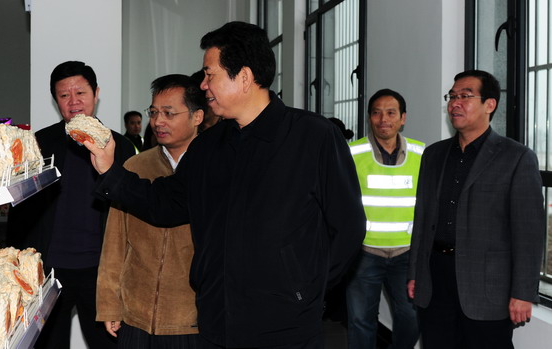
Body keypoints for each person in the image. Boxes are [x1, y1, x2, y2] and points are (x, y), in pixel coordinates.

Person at [83, 21, 366, 349]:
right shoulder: (208, 147)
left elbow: (348, 226)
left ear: (244, 77)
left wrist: (305, 291)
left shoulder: (312, 137)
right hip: (217, 321)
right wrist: (111, 171)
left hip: (286, 327)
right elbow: (166, 203)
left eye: (210, 74)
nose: (203, 85)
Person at [407, 70, 546, 349]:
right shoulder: (433, 155)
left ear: (489, 104)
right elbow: (422, 220)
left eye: (465, 96)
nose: (455, 103)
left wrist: (523, 293)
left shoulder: (516, 158)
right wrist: (415, 272)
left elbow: (529, 234)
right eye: (452, 97)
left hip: (487, 285)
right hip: (436, 278)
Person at [6, 61, 135, 349]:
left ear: (96, 93)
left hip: (101, 272)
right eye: (64, 95)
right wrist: (14, 260)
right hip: (49, 271)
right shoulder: (39, 143)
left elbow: (131, 208)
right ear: (56, 100)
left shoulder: (119, 146)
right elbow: (20, 208)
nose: (73, 101)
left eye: (81, 93)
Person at [97, 74, 205, 348]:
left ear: (197, 116)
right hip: (136, 318)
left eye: (169, 113)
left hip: (191, 320)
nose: (158, 122)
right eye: (154, 112)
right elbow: (115, 243)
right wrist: (109, 304)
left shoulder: (212, 169)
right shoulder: (135, 168)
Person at [346, 89, 423, 349]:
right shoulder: (351, 154)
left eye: (391, 113)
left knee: (411, 316)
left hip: (406, 254)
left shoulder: (422, 154)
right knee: (360, 320)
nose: (383, 119)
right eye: (377, 113)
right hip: (363, 253)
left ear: (403, 118)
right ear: (369, 117)